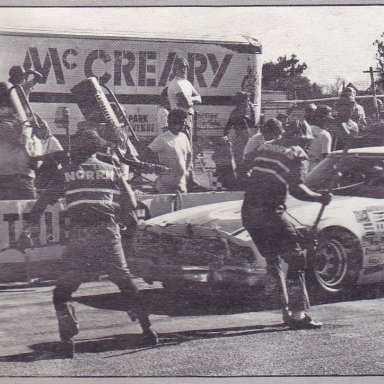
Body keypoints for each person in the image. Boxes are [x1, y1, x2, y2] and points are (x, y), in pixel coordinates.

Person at [19, 128, 158, 358]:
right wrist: (127, 224)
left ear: (75, 149)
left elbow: (42, 202)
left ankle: (68, 341)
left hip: (80, 237)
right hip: (108, 234)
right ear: (98, 148)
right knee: (126, 283)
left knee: (62, 292)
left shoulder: (66, 172)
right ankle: (148, 329)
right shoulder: (112, 170)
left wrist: (28, 230)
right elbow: (131, 203)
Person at [242, 119, 331, 329]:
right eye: (305, 141)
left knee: (273, 260)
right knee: (297, 256)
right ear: (298, 137)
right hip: (270, 214)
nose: (307, 145)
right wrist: (320, 197)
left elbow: (246, 170)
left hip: (249, 212)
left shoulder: (264, 146)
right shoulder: (296, 153)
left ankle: (284, 310)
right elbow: (297, 189)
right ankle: (298, 315)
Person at [142, 108, 192, 194]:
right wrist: (158, 167)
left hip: (182, 185)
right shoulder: (162, 139)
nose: (185, 125)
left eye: (184, 122)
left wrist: (186, 169)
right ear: (174, 122)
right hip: (165, 186)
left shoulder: (184, 137)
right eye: (183, 122)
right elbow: (145, 156)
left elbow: (189, 154)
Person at [0, 111, 42, 199]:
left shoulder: (34, 141)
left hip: (24, 183)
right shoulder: (3, 142)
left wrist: (25, 146)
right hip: (3, 183)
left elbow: (35, 166)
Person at [167, 57, 201, 141]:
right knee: (182, 143)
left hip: (189, 117)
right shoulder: (176, 83)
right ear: (175, 69)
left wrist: (189, 99)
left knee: (188, 145)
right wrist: (191, 100)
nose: (183, 69)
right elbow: (186, 103)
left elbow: (199, 98)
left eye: (185, 66)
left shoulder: (187, 83)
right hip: (179, 119)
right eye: (180, 67)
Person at [224, 91, 255, 170]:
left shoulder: (240, 110)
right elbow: (230, 122)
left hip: (242, 135)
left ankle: (241, 168)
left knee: (240, 154)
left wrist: (226, 134)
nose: (248, 102)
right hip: (241, 135)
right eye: (247, 100)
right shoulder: (240, 111)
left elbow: (229, 124)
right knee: (241, 154)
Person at [307, 105, 333, 171]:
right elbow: (326, 160)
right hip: (315, 172)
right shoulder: (325, 135)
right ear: (323, 119)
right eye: (328, 120)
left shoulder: (306, 130)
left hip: (303, 170)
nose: (329, 123)